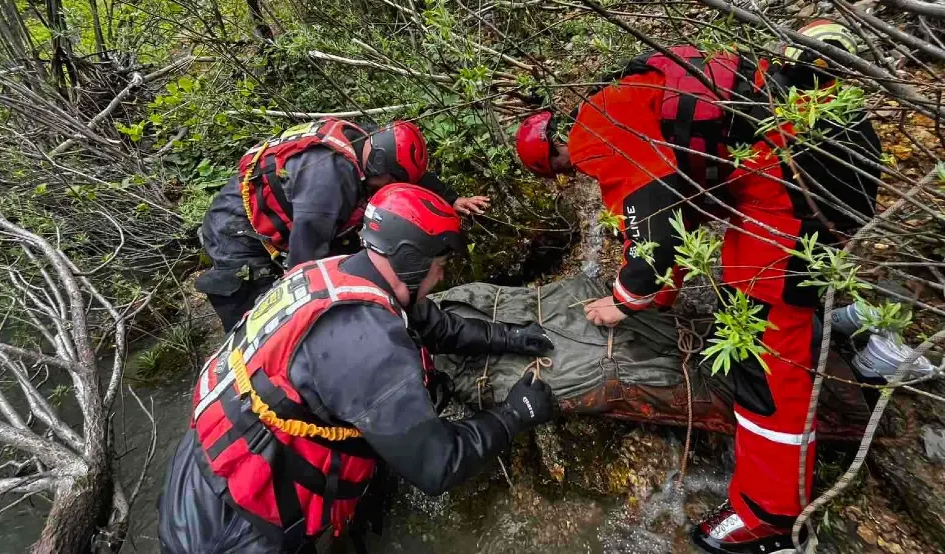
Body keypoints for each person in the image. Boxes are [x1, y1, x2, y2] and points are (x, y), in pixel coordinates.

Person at [514, 20, 882, 554]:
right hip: (822, 155)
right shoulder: (629, 97)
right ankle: (820, 328)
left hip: (804, 184)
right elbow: (671, 215)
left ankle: (770, 517)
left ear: (554, 161)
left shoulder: (594, 135)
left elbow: (655, 225)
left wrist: (624, 301)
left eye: (564, 172)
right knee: (755, 287)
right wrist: (656, 294)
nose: (578, 175)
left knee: (761, 349)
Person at [159, 184, 556, 554]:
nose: (443, 275)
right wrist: (515, 415)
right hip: (236, 526)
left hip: (205, 465)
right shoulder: (367, 342)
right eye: (440, 263)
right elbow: (439, 466)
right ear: (412, 260)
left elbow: (431, 323)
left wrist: (509, 338)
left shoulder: (334, 272)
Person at [196, 118, 491, 331]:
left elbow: (409, 173)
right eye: (389, 183)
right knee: (267, 313)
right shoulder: (329, 182)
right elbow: (305, 263)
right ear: (377, 167)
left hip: (293, 207)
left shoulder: (368, 140)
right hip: (236, 230)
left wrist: (452, 199)